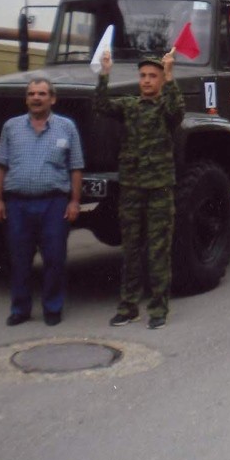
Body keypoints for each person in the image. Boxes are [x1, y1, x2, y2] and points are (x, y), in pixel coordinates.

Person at [95, 50, 185, 330]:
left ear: (160, 80)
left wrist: (170, 76)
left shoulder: (164, 109)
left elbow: (177, 112)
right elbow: (101, 106)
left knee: (158, 250)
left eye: (152, 76)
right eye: (143, 76)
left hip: (159, 189)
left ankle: (158, 308)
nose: (146, 81)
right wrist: (104, 73)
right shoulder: (130, 106)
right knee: (131, 249)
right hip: (132, 188)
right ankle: (128, 306)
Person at [0, 78, 84, 326]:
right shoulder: (11, 127)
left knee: (54, 258)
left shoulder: (66, 127)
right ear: (26, 99)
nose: (36, 98)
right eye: (32, 93)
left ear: (52, 99)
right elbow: (0, 165)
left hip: (54, 204)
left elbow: (76, 167)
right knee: (19, 260)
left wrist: (74, 202)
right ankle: (20, 309)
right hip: (18, 204)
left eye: (42, 93)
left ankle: (52, 307)